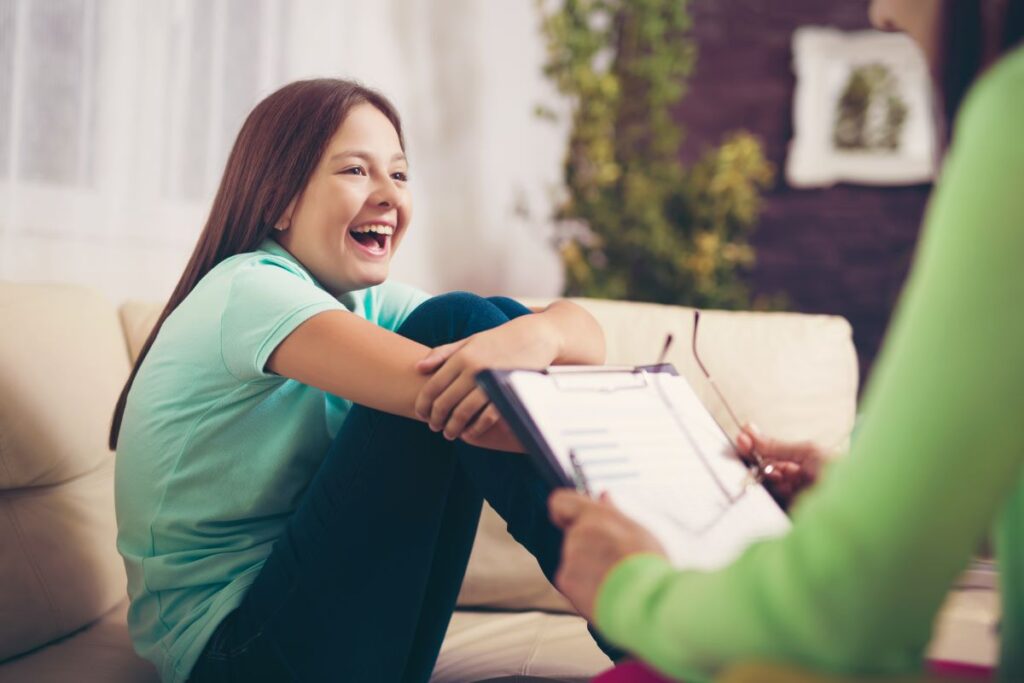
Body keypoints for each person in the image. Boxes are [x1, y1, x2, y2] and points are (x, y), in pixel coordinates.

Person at [548, 0, 1024, 680]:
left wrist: (631, 585)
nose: (880, 13)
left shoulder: (1014, 119)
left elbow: (846, 611)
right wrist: (864, 494)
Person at [110, 79, 607, 682]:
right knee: (459, 327)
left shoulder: (356, 304)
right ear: (279, 202)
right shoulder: (250, 291)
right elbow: (485, 409)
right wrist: (528, 370)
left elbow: (587, 343)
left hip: (335, 637)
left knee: (481, 320)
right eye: (355, 170)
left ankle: (653, 614)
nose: (387, 195)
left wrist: (538, 335)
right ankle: (650, 621)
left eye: (398, 174)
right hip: (236, 655)